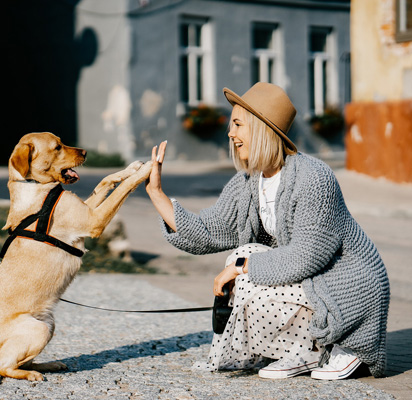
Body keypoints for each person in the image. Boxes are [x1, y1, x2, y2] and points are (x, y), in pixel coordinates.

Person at [145, 82, 389, 380]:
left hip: (348, 287)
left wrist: (241, 269)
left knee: (244, 267)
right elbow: (210, 230)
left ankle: (334, 345)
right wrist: (157, 193)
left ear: (261, 128)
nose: (230, 133)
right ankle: (299, 351)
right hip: (312, 282)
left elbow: (306, 256)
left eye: (237, 124)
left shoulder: (314, 178)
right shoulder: (249, 181)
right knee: (242, 255)